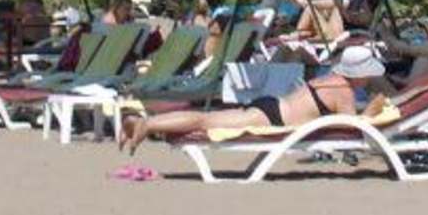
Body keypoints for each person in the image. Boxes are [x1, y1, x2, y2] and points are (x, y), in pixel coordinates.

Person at [123, 43, 389, 154]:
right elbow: (354, 129)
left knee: (206, 118)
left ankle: (147, 123)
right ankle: (147, 125)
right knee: (205, 121)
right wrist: (372, 111)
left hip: (271, 106)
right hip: (271, 119)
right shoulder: (343, 92)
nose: (369, 79)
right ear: (360, 74)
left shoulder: (329, 78)